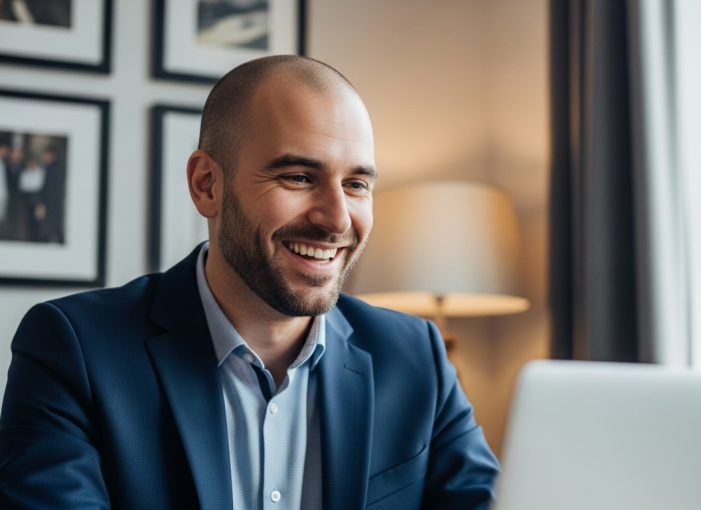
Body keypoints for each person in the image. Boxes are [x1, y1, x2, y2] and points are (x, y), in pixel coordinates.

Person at [0, 56, 499, 509]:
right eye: (299, 177)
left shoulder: (416, 358)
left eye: (356, 185)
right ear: (207, 185)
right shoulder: (73, 349)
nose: (337, 219)